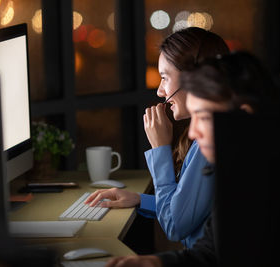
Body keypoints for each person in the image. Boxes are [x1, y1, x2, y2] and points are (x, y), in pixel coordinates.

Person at [103, 51, 278, 267]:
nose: (193, 132)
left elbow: (177, 225)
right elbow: (209, 253)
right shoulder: (237, 174)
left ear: (244, 116)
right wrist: (154, 263)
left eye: (203, 117)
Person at [85, 27, 230, 248]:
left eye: (164, 78)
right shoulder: (209, 132)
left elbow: (175, 226)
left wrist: (161, 148)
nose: (160, 92)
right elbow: (190, 207)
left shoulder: (208, 143)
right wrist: (140, 199)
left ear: (192, 79)